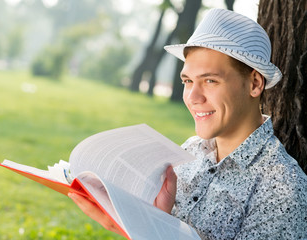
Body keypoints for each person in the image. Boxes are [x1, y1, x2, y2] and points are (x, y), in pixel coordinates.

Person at [69, 8, 307, 239]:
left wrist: (143, 230)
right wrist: (149, 219)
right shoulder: (189, 152)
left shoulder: (282, 189)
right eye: (188, 81)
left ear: (255, 84)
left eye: (210, 80)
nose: (193, 97)